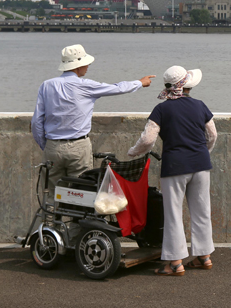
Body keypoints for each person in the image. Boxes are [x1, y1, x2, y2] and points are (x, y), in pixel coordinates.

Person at [128, 66, 217, 276]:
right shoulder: (200, 105)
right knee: (202, 211)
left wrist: (133, 152)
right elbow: (212, 135)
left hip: (175, 166)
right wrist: (202, 152)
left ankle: (176, 263)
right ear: (187, 85)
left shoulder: (161, 109)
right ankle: (204, 257)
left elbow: (148, 139)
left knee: (174, 214)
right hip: (201, 164)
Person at [32, 44, 154, 187]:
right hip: (78, 146)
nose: (88, 66)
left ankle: (52, 203)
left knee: (51, 191)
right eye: (86, 63)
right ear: (78, 66)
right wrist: (140, 83)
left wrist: (46, 145)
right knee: (80, 190)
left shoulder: (46, 85)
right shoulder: (85, 85)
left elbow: (36, 122)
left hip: (53, 145)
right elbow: (117, 88)